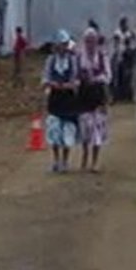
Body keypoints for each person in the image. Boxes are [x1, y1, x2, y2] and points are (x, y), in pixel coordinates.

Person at [42, 31, 81, 173]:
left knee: (68, 131)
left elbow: (76, 79)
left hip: (68, 99)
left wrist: (70, 85)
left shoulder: (72, 60)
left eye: (65, 45)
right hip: (55, 98)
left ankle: (65, 160)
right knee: (54, 130)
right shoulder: (51, 60)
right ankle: (56, 160)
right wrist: (52, 84)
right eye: (61, 45)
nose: (63, 48)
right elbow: (45, 79)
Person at [77, 28, 112, 172]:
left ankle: (95, 161)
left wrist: (96, 79)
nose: (90, 44)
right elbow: (75, 75)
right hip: (84, 96)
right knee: (85, 128)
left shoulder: (102, 57)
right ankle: (84, 157)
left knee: (97, 128)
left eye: (93, 41)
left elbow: (109, 76)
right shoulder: (79, 57)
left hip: (98, 94)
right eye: (88, 41)